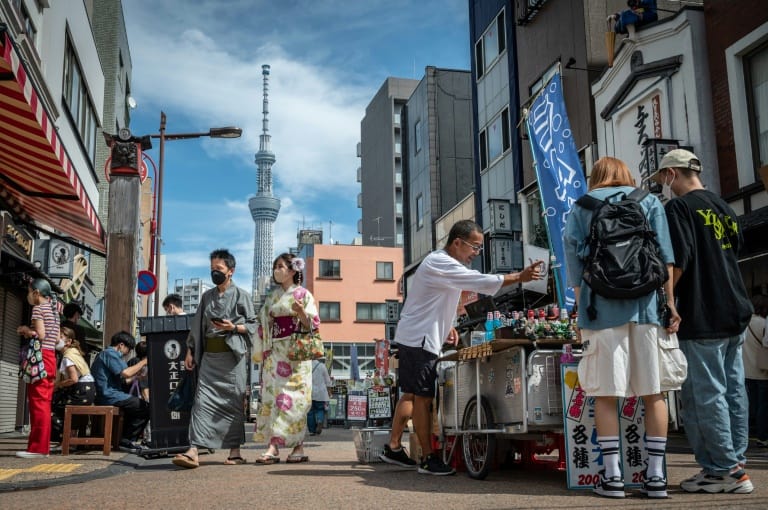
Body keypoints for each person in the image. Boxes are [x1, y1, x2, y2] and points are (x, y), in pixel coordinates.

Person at [379, 220, 544, 475]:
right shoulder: (441, 262)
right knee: (422, 397)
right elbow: (478, 282)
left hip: (418, 336)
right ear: (457, 242)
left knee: (413, 395)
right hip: (420, 339)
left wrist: (449, 326)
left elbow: (437, 300)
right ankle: (427, 458)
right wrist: (519, 277)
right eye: (474, 247)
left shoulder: (443, 264)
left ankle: (395, 447)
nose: (476, 253)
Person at [564, 156, 680, 499]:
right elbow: (666, 257)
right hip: (646, 309)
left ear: (596, 177)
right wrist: (670, 303)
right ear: (627, 174)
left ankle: (613, 478)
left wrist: (582, 308)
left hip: (601, 311)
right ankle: (656, 478)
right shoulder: (648, 201)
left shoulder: (582, 206)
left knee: (605, 394)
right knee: (654, 392)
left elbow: (574, 264)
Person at [650, 148, 754, 494]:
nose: (664, 186)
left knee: (705, 394)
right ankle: (732, 464)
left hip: (702, 309)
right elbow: (735, 249)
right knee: (733, 391)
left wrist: (667, 302)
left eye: (663, 179)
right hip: (734, 307)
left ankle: (725, 470)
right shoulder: (723, 206)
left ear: (670, 175)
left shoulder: (679, 208)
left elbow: (677, 260)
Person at [172, 248, 257, 469]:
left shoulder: (242, 296)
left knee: (234, 404)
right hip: (209, 357)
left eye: (218, 269)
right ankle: (193, 450)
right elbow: (197, 326)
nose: (214, 273)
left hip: (232, 358)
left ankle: (235, 452)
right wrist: (190, 351)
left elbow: (254, 325)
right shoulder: (206, 296)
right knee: (201, 403)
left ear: (231, 271)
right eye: (212, 269)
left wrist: (235, 327)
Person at [252, 253, 319, 464]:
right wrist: (268, 320)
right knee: (274, 399)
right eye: (275, 267)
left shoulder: (304, 294)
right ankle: (274, 445)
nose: (276, 270)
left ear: (292, 270)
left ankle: (297, 446)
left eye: (280, 266)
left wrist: (300, 314)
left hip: (296, 354)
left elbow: (313, 325)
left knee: (296, 401)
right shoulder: (272, 297)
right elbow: (262, 322)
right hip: (276, 351)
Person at [16, 278, 60, 458]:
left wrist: (26, 331)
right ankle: (43, 447)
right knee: (45, 403)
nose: (28, 295)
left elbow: (39, 334)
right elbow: (57, 339)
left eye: (29, 291)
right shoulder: (54, 310)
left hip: (39, 358)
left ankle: (37, 449)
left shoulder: (39, 309)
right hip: (51, 358)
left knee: (37, 404)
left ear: (36, 292)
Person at [90, 331, 150, 453]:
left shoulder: (110, 355)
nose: (128, 353)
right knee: (145, 408)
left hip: (112, 394)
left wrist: (137, 377)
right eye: (129, 349)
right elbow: (126, 373)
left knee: (136, 406)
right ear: (121, 345)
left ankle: (125, 439)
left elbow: (125, 379)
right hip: (108, 395)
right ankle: (126, 440)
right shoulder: (109, 353)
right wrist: (144, 361)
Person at [51, 326, 95, 443]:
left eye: (59, 337)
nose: (56, 340)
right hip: (88, 390)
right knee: (62, 402)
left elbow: (74, 379)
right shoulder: (74, 352)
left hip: (81, 391)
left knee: (55, 405)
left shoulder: (67, 356)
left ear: (68, 341)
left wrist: (58, 385)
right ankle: (71, 437)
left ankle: (62, 437)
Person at [744, 295, 768, 448]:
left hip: (747, 370)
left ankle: (750, 432)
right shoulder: (763, 323)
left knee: (752, 404)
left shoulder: (744, 323)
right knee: (764, 406)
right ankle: (763, 436)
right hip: (763, 371)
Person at [308, 358, 332, 436]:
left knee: (310, 412)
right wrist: (329, 392)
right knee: (320, 409)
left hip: (309, 392)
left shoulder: (306, 366)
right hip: (321, 392)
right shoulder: (322, 366)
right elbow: (327, 380)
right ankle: (320, 421)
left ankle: (312, 430)